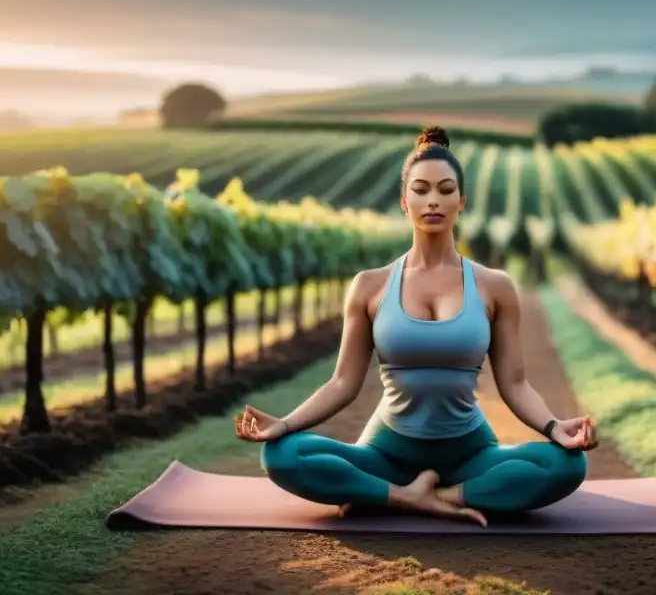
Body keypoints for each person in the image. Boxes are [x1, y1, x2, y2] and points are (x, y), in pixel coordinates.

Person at [233, 126, 596, 527]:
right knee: (281, 454)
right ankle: (404, 494)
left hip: (469, 454)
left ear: (462, 201)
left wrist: (553, 426)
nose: (433, 200)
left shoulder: (495, 286)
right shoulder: (370, 286)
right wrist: (283, 424)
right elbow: (342, 383)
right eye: (421, 190)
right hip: (386, 452)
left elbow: (514, 384)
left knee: (566, 464)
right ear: (404, 202)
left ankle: (425, 496)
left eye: (445, 189)